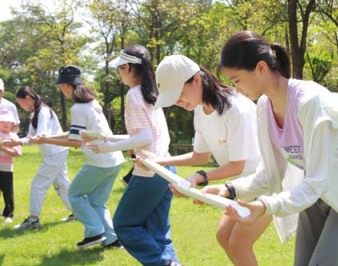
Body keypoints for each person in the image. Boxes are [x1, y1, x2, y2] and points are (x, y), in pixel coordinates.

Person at [204, 31, 338, 265]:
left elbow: (317, 179)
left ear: (261, 68)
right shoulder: (263, 107)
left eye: (237, 79)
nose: (235, 88)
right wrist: (228, 190)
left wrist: (264, 205)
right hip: (316, 193)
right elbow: (270, 175)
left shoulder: (309, 101)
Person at [153, 54, 271, 266]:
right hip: (240, 185)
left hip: (265, 181)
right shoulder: (199, 111)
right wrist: (159, 161)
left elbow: (238, 165)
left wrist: (199, 177)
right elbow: (201, 156)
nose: (178, 102)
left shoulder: (235, 109)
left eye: (178, 94)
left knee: (238, 244)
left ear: (196, 80)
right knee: (223, 237)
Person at [87, 45, 181, 265]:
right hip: (166, 167)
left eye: (119, 68)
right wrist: (108, 139)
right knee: (158, 231)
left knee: (124, 224)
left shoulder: (133, 95)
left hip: (150, 171)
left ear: (127, 67)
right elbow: (143, 135)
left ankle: (164, 263)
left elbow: (145, 139)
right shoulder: (150, 94)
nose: (119, 73)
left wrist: (106, 148)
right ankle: (172, 263)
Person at [30, 66, 125, 249]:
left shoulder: (78, 108)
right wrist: (46, 138)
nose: (61, 90)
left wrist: (48, 140)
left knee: (74, 194)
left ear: (67, 85)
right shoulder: (92, 104)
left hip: (99, 161)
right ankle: (112, 240)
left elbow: (74, 142)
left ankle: (95, 232)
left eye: (61, 86)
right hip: (114, 160)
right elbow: (75, 133)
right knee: (97, 202)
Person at [4, 86, 74, 230]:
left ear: (28, 99)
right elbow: (31, 138)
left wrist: (16, 142)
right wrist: (16, 141)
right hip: (56, 152)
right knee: (62, 183)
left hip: (55, 153)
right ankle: (79, 212)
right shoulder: (36, 112)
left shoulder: (43, 112)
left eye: (20, 103)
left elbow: (41, 137)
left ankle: (33, 220)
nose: (21, 107)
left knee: (38, 184)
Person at [0, 111, 22, 223]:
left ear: (12, 124)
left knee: (8, 192)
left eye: (7, 122)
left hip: (6, 168)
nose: (5, 124)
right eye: (2, 121)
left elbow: (18, 153)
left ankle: (9, 214)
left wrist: (3, 148)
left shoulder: (13, 137)